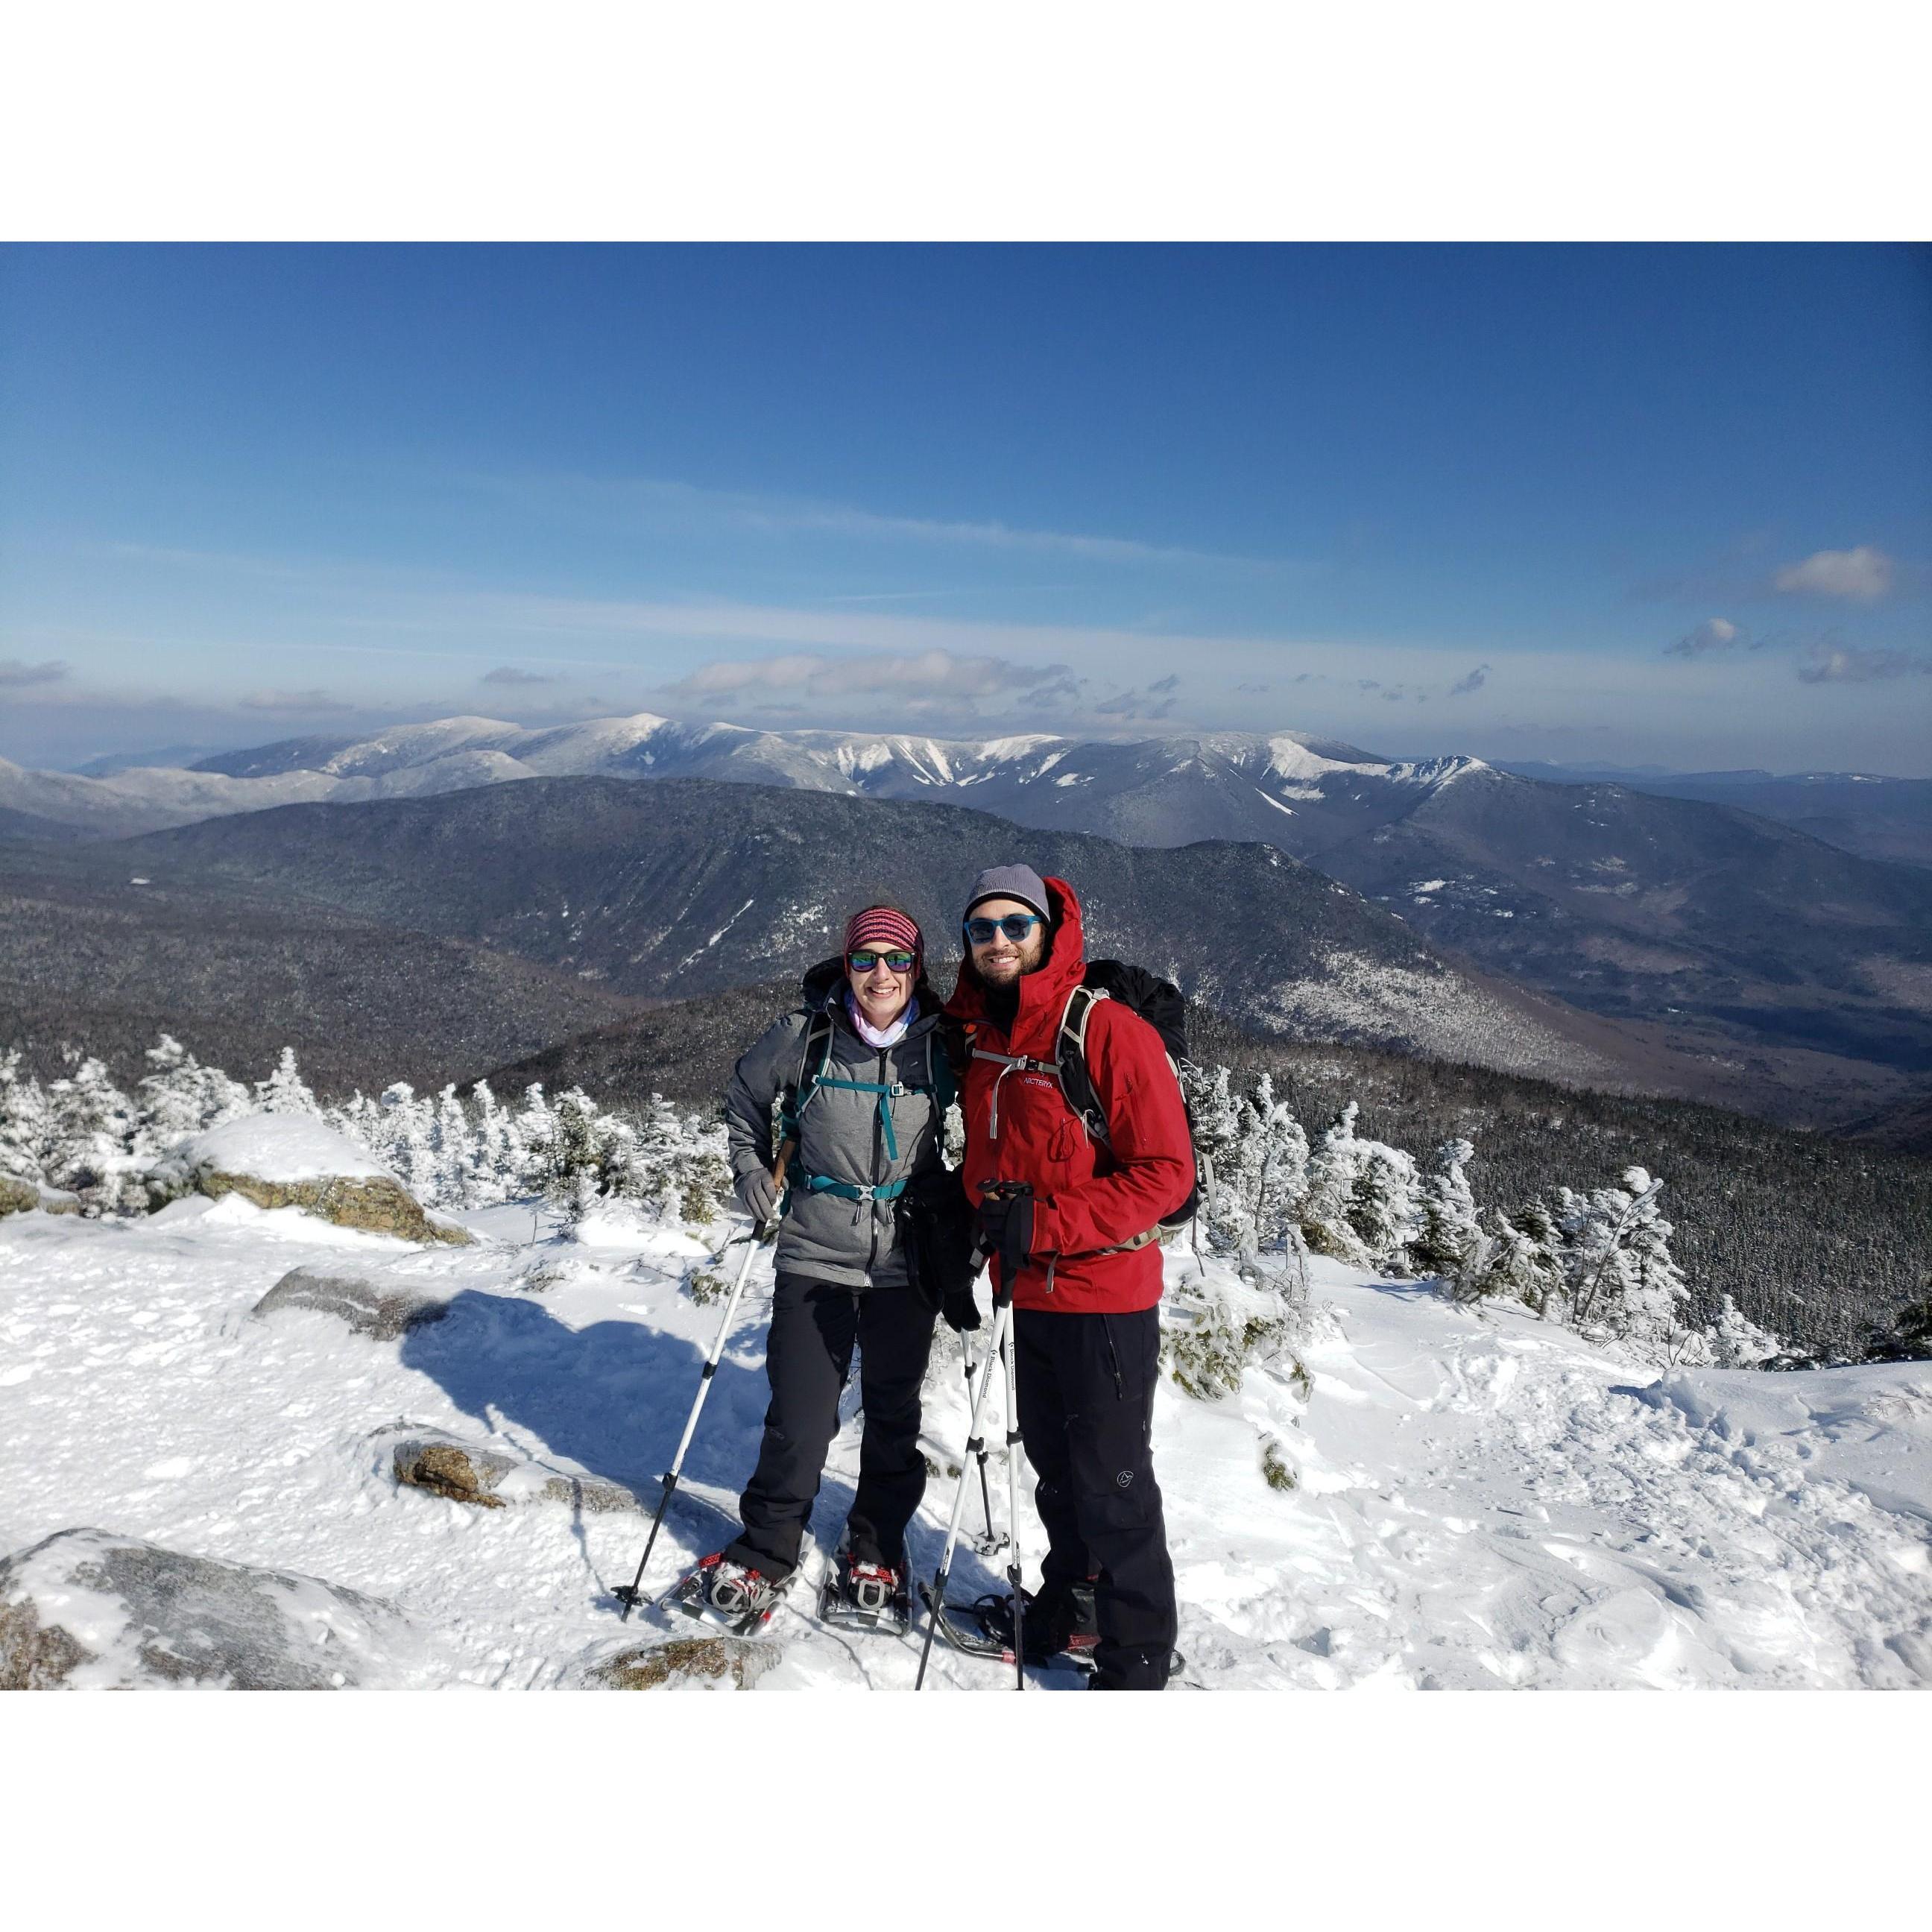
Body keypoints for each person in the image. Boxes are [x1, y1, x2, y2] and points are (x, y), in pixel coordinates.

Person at [684, 902, 968, 1632]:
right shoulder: (802, 1039)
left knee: (894, 1416)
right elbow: (745, 1103)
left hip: (906, 1261)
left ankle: (876, 1542)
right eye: (866, 958)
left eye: (897, 959)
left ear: (917, 967)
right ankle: (770, 1545)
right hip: (815, 1252)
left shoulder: (944, 1049)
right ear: (847, 964)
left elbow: (1001, 1119)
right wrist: (750, 1173)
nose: (881, 974)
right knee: (802, 1417)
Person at [943, 864, 1192, 1690]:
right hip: (1031, 1296)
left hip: (1105, 1300)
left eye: (1016, 925)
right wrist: (967, 1238)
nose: (1000, 942)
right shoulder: (984, 1035)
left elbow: (1165, 1174)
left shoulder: (1107, 1030)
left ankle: (1136, 1665)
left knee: (1115, 1489)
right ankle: (1071, 1613)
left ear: (1049, 930)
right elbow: (992, 1165)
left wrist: (1042, 1226)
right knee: (1058, 1473)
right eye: (982, 929)